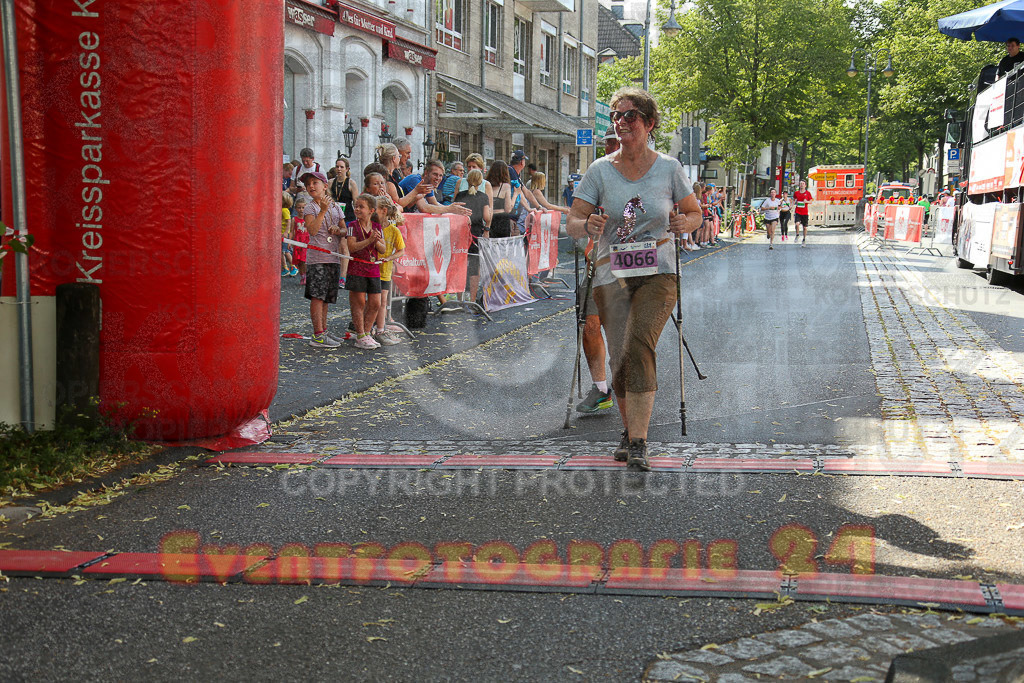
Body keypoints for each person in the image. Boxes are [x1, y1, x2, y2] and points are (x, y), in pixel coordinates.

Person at [566, 87, 702, 471]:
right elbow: (573, 220)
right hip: (612, 272)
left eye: (630, 116)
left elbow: (695, 214)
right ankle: (629, 432)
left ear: (649, 123)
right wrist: (587, 225)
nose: (621, 122)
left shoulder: (669, 168)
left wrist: (684, 223)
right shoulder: (599, 170)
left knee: (639, 341)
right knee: (620, 355)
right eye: (616, 116)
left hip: (659, 271)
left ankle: (639, 441)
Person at [301, 170, 346, 348]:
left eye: (315, 183)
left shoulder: (336, 207)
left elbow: (344, 229)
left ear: (325, 186)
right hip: (317, 258)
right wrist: (323, 211)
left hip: (333, 257)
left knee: (326, 298)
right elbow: (312, 230)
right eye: (308, 184)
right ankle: (318, 334)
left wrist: (338, 230)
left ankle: (323, 331)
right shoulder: (310, 208)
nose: (311, 186)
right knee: (317, 297)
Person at [346, 193, 385, 350]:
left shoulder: (377, 227)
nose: (357, 209)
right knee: (359, 302)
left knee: (376, 302)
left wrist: (376, 241)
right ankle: (360, 334)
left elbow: (383, 249)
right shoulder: (352, 226)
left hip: (373, 268)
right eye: (356, 206)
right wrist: (369, 240)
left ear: (371, 210)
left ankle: (367, 332)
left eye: (361, 207)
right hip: (357, 268)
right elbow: (351, 247)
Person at [455, 168, 492, 306]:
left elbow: (454, 211)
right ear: (480, 182)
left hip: (460, 233)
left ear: (467, 180)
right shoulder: (483, 197)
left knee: (460, 265)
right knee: (474, 267)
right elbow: (487, 217)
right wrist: (487, 229)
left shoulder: (460, 195)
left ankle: (459, 298)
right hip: (476, 234)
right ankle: (472, 300)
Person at [373, 196, 406, 346]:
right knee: (370, 301)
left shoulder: (393, 230)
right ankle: (366, 329)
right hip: (370, 269)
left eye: (375, 209)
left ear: (384, 211)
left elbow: (401, 251)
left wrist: (389, 258)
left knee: (382, 301)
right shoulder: (371, 227)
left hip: (384, 271)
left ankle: (381, 329)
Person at [509, 150, 538, 234]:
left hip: (512, 216)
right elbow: (520, 192)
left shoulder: (514, 173)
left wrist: (534, 207)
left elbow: (525, 191)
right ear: (522, 162)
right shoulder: (511, 171)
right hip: (508, 215)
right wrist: (531, 208)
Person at [485, 161, 516, 238]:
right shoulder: (505, 186)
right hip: (502, 220)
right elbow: (508, 209)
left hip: (487, 219)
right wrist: (516, 194)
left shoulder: (486, 184)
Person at [292, 197, 309, 284]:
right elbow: (292, 231)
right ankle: (302, 275)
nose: (301, 209)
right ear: (296, 208)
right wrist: (290, 241)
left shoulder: (308, 218)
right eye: (299, 207)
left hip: (306, 241)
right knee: (299, 260)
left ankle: (306, 275)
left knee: (304, 259)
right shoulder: (294, 219)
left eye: (303, 207)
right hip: (297, 241)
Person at [281, 193, 296, 277]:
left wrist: (286, 232)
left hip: (284, 235)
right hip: (281, 234)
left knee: (286, 251)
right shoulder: (282, 210)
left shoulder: (284, 210)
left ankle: (293, 266)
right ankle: (285, 267)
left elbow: (289, 221)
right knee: (282, 252)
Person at [793, 180, 812, 245]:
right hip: (798, 211)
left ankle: (804, 239)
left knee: (804, 227)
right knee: (797, 224)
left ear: (805, 185)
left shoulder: (808, 193)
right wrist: (791, 205)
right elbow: (794, 200)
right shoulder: (796, 193)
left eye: (803, 184)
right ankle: (797, 235)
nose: (801, 185)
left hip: (804, 212)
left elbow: (811, 201)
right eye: (800, 183)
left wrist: (806, 201)